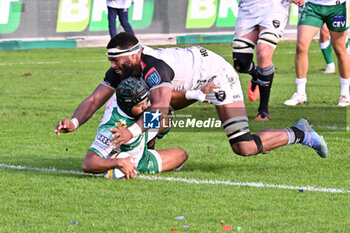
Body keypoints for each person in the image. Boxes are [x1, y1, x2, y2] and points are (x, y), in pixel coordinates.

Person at [55, 32, 328, 161]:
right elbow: (93, 100)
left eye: (118, 61)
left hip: (215, 76)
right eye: (111, 61)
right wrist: (74, 122)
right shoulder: (124, 68)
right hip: (186, 83)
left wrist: (132, 133)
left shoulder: (154, 67)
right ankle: (147, 148)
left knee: (243, 146)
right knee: (145, 109)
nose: (113, 67)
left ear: (135, 55)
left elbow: (161, 107)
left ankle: (300, 132)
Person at [81, 77, 188, 179]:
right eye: (140, 105)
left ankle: (150, 144)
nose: (145, 106)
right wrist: (118, 162)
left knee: (166, 115)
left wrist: (195, 94)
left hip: (140, 134)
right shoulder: (112, 129)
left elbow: (168, 96)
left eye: (145, 101)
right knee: (182, 155)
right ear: (128, 106)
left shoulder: (135, 94)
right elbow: (88, 163)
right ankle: (135, 162)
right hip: (139, 160)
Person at [232, 0, 305, 121]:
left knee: (264, 53)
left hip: (274, 6)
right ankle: (256, 75)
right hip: (248, 7)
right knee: (241, 64)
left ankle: (263, 111)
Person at [284, 0, 350, 107]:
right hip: (312, 6)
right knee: (301, 45)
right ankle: (300, 93)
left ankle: (345, 94)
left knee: (340, 49)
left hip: (337, 7)